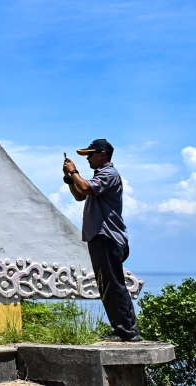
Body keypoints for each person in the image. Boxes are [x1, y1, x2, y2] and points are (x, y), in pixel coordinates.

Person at [63, 138, 142, 342]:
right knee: (107, 285)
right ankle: (122, 329)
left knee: (113, 284)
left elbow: (86, 189)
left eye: (91, 154)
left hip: (107, 235)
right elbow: (80, 195)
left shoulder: (109, 174)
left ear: (103, 154)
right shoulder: (99, 177)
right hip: (99, 236)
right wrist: (71, 179)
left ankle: (128, 332)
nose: (88, 158)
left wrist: (73, 172)